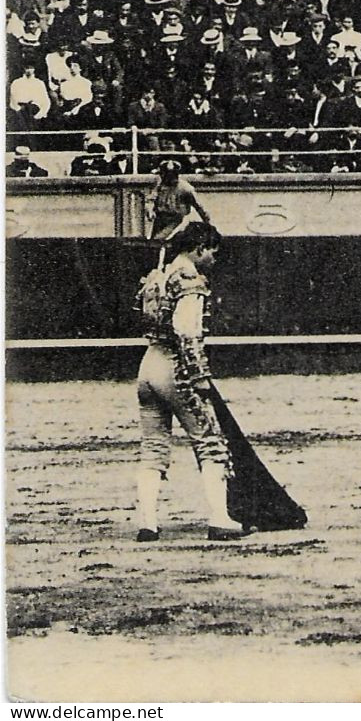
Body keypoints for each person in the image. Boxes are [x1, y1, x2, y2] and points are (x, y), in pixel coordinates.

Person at [134, 224, 246, 542]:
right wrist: (199, 376)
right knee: (211, 442)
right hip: (175, 369)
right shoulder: (189, 280)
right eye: (211, 251)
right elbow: (187, 332)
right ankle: (220, 518)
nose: (213, 258)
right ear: (198, 247)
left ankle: (148, 523)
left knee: (153, 448)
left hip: (148, 366)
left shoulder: (158, 274)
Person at [149, 160, 211, 244]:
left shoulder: (185, 188)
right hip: (160, 219)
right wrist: (150, 210)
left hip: (176, 219)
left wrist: (207, 223)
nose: (164, 177)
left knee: (160, 240)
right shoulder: (159, 186)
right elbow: (151, 199)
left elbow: (198, 206)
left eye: (169, 175)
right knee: (153, 243)